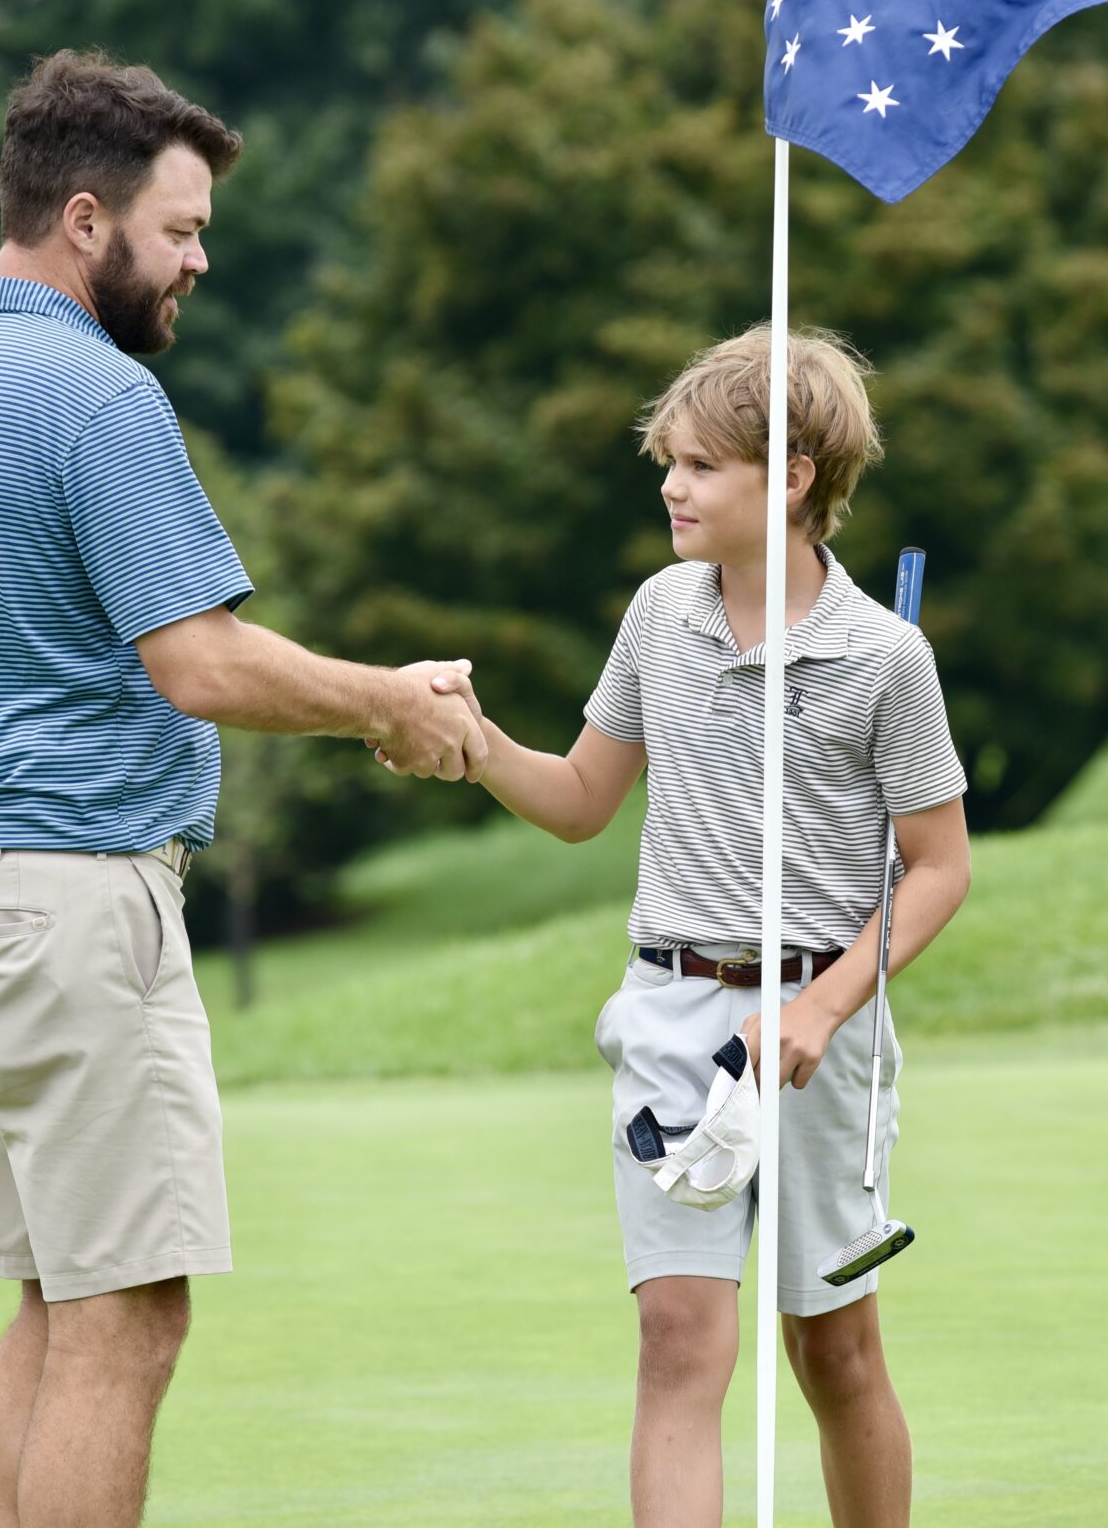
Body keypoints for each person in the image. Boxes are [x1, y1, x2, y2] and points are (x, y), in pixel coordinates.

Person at [0, 48, 485, 1528]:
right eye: (182, 230)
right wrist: (385, 705)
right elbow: (202, 665)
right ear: (84, 222)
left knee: (51, 1305)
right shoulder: (100, 399)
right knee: (124, 1322)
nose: (199, 260)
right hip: (70, 906)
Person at [385, 326, 972, 1528]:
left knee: (835, 1352)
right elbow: (584, 799)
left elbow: (937, 867)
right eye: (670, 462)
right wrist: (476, 740)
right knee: (677, 1339)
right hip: (671, 1016)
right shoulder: (661, 613)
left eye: (701, 465)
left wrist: (819, 1006)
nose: (670, 485)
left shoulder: (884, 657)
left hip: (821, 1031)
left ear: (792, 476)